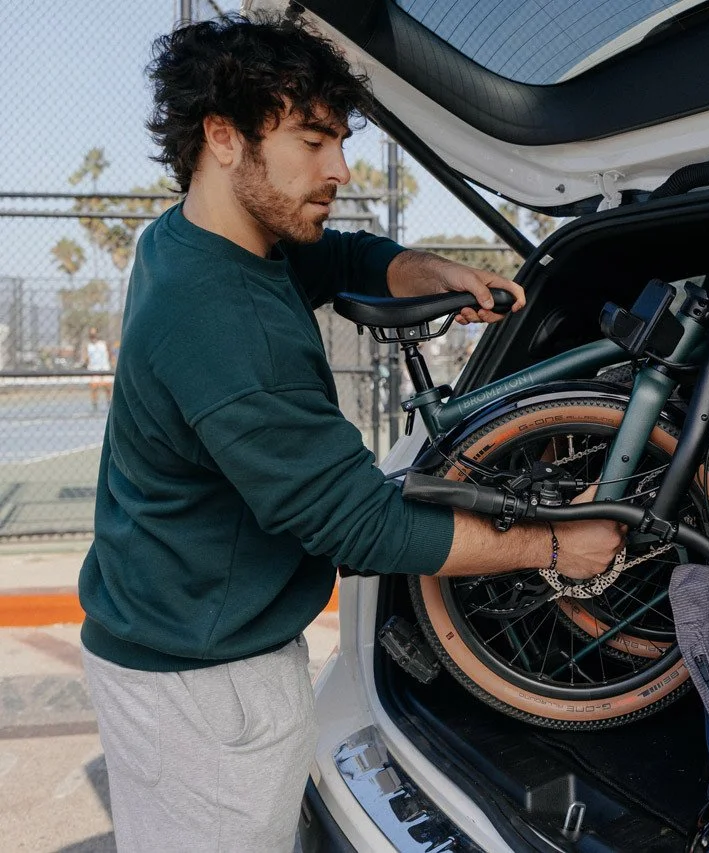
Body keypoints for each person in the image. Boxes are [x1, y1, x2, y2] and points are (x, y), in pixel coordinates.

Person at [77, 14, 624, 853]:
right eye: (311, 140)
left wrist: (424, 268)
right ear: (222, 137)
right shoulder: (224, 322)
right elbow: (360, 525)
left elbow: (335, 257)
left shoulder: (194, 239)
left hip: (172, 631)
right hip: (206, 687)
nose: (339, 168)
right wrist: (554, 547)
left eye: (339, 140)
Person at [83, 326, 113, 410]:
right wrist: (86, 362)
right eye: (91, 334)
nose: (93, 335)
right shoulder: (88, 345)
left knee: (107, 387)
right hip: (94, 368)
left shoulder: (103, 343)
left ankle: (109, 403)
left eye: (94, 333)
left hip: (104, 367)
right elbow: (86, 357)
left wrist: (112, 362)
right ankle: (95, 405)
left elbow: (110, 354)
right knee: (94, 387)